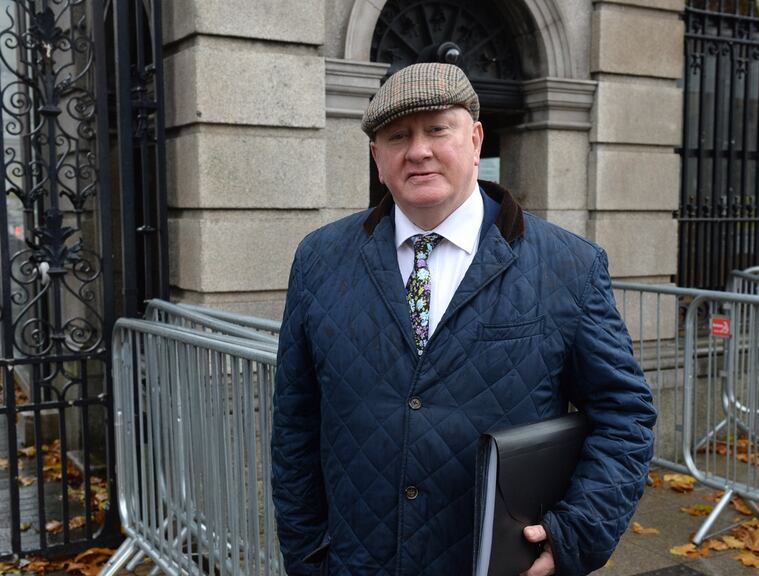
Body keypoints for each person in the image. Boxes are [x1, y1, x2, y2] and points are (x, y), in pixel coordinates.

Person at [272, 62, 656, 576]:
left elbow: (624, 416)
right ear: (376, 157)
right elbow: (295, 423)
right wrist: (306, 555)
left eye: (437, 129)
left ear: (475, 139)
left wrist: (575, 533)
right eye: (397, 136)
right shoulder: (320, 259)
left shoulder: (569, 266)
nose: (418, 150)